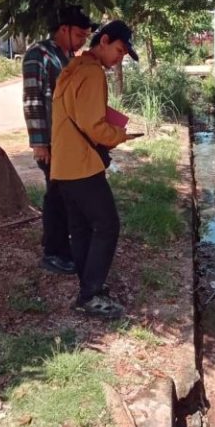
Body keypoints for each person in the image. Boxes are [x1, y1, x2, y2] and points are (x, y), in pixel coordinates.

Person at [50, 21, 140, 318]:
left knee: (81, 227)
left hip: (64, 164)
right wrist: (120, 135)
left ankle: (89, 288)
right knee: (107, 225)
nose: (119, 58)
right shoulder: (91, 73)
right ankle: (90, 295)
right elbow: (94, 125)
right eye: (119, 50)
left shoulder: (73, 67)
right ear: (103, 40)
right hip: (82, 165)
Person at [22, 5, 98, 275]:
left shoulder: (67, 57)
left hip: (68, 142)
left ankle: (58, 245)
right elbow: (32, 101)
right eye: (78, 35)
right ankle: (54, 253)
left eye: (85, 37)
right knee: (58, 196)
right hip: (52, 143)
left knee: (64, 196)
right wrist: (40, 144)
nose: (81, 42)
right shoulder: (38, 55)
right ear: (63, 29)